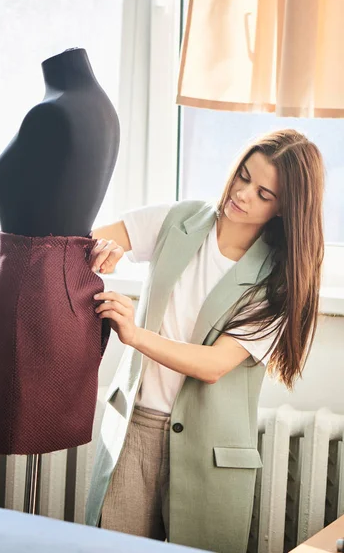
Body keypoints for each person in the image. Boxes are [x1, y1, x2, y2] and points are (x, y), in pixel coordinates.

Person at [85, 129, 325, 553]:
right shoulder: (179, 219)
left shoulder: (280, 284)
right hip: (134, 428)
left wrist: (135, 335)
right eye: (243, 176)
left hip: (209, 452)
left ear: (286, 207)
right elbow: (87, 243)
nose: (243, 193)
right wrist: (106, 249)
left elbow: (213, 365)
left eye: (264, 193)